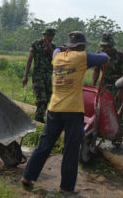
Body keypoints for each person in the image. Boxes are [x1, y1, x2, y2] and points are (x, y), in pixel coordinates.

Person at [21, 31, 109, 193]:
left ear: (68, 46)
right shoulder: (82, 57)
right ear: (81, 46)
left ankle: (27, 176)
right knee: (71, 149)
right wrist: (102, 51)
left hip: (54, 108)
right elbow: (104, 58)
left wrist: (62, 48)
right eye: (83, 46)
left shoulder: (57, 57)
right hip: (73, 110)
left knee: (44, 144)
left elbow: (56, 50)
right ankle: (66, 188)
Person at [93, 32, 123, 143]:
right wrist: (94, 86)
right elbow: (96, 70)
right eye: (103, 46)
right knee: (101, 109)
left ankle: (117, 139)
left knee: (117, 112)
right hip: (104, 86)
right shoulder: (99, 54)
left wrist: (121, 91)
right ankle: (101, 133)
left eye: (107, 46)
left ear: (112, 45)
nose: (105, 49)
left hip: (118, 85)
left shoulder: (120, 55)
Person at [22, 27, 56, 123]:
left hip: (48, 76)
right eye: (48, 35)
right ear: (44, 35)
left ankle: (40, 116)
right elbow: (30, 59)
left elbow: (55, 57)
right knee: (41, 98)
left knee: (48, 96)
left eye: (52, 36)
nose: (50, 37)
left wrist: (49, 46)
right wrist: (25, 75)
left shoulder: (53, 47)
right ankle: (38, 119)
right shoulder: (36, 44)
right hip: (38, 75)